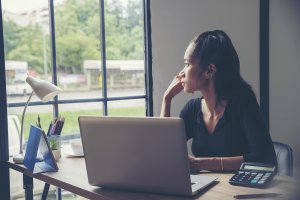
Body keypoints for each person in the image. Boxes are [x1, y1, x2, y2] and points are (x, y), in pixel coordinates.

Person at [160, 30, 277, 172]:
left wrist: (201, 163)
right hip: (208, 190)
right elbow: (164, 152)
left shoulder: (243, 102)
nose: (181, 73)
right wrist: (167, 99)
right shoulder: (192, 109)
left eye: (187, 64)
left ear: (210, 70)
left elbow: (266, 157)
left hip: (241, 189)